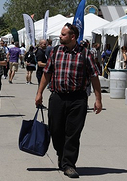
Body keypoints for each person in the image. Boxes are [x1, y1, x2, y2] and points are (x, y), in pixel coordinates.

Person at [35, 23, 102, 179]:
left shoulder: (86, 54)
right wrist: (39, 93)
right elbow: (47, 73)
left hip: (77, 99)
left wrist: (98, 99)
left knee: (73, 133)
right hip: (57, 97)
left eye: (63, 34)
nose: (60, 36)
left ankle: (69, 164)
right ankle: (62, 154)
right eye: (61, 34)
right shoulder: (55, 52)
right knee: (56, 131)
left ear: (73, 36)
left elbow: (94, 77)